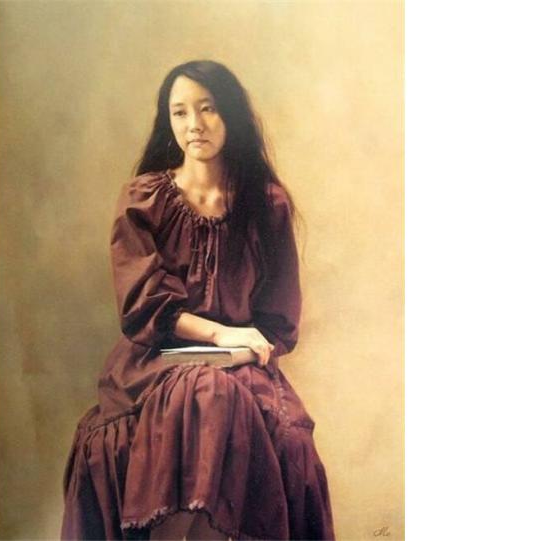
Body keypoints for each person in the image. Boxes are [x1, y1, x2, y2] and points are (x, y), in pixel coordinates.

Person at [60, 60, 335, 540]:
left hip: (242, 363)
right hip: (154, 360)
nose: (194, 125)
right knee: (205, 392)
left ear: (231, 114)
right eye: (180, 112)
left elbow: (277, 319)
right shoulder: (144, 199)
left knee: (288, 442)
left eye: (207, 109)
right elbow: (143, 307)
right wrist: (220, 334)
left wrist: (243, 349)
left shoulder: (266, 205)